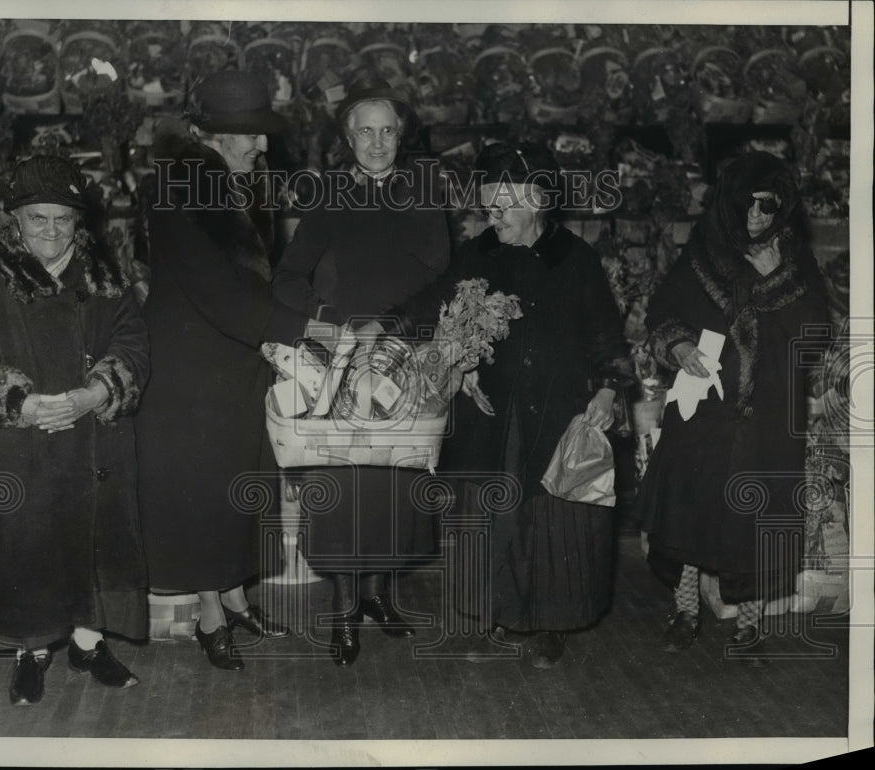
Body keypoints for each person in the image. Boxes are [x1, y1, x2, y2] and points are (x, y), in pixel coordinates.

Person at [397, 141, 634, 668]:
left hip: (555, 413)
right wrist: (388, 324)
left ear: (538, 202)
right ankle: (492, 615)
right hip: (490, 414)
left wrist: (607, 389)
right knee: (491, 514)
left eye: (502, 204)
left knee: (549, 522)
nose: (492, 214)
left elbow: (606, 336)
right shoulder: (479, 252)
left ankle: (551, 625)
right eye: (487, 204)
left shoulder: (576, 259)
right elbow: (437, 298)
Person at [0, 155, 150, 705]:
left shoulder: (105, 275)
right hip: (22, 444)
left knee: (93, 545)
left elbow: (133, 346)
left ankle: (88, 645)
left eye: (63, 219)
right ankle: (31, 653)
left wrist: (96, 393)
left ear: (78, 221)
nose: (51, 232)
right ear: (15, 220)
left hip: (93, 442)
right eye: (38, 219)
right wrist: (23, 402)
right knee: (31, 547)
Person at [135, 71, 315, 672]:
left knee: (242, 480)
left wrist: (306, 312)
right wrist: (302, 329)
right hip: (189, 369)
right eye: (251, 136)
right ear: (208, 134)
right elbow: (220, 290)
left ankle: (236, 597)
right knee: (208, 492)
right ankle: (210, 616)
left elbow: (261, 273)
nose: (263, 147)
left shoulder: (239, 180)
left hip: (235, 358)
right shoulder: (176, 188)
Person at [272, 74, 451, 666]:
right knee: (347, 489)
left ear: (403, 136)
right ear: (348, 140)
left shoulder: (425, 192)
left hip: (406, 359)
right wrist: (326, 321)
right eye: (365, 133)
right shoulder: (328, 196)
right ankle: (346, 610)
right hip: (345, 365)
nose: (377, 143)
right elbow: (287, 278)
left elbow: (442, 277)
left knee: (395, 487)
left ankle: (380, 597)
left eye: (388, 132)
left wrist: (397, 328)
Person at [632, 151, 829, 662]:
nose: (759, 217)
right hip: (705, 413)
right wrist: (676, 345)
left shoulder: (792, 255)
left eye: (771, 207)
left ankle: (748, 624)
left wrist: (777, 278)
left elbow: (814, 337)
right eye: (750, 205)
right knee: (693, 515)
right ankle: (685, 612)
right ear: (730, 203)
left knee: (752, 522)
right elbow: (663, 310)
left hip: (766, 418)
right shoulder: (704, 249)